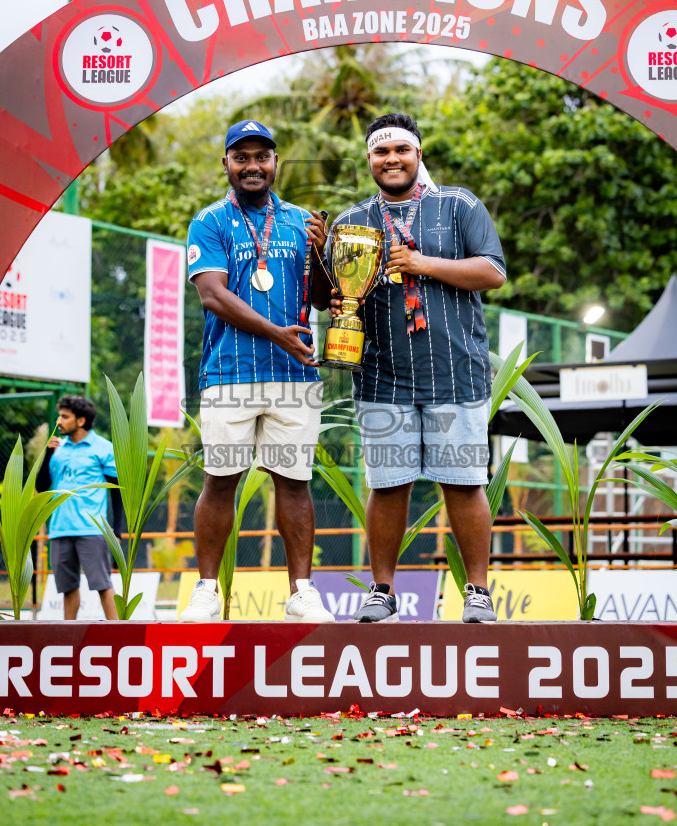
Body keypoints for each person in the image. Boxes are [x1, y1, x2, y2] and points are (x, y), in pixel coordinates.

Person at [329, 113, 506, 623]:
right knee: (387, 484)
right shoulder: (351, 221)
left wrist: (423, 263)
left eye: (402, 151)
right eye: (381, 153)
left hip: (456, 369)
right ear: (369, 160)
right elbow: (338, 295)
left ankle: (477, 592)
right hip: (383, 374)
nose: (392, 160)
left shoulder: (458, 204)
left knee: (465, 482)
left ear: (418, 155)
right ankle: (382, 591)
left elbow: (492, 272)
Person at [180, 118, 335, 624]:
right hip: (230, 372)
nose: (252, 166)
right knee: (221, 479)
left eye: (261, 157)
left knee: (294, 481)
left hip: (295, 376)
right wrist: (279, 335)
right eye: (241, 157)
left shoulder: (301, 222)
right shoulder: (209, 221)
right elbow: (213, 295)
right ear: (225, 163)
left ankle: (302, 592)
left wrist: (322, 254)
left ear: (275, 162)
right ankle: (206, 589)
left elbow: (319, 299)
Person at [36, 395, 121, 620]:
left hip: (91, 529)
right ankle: (69, 636)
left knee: (103, 585)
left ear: (81, 420)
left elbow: (117, 490)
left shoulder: (103, 448)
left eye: (65, 416)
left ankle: (119, 634)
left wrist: (118, 530)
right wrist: (48, 454)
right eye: (59, 415)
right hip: (60, 528)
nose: (59, 421)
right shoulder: (58, 448)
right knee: (67, 588)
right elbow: (41, 486)